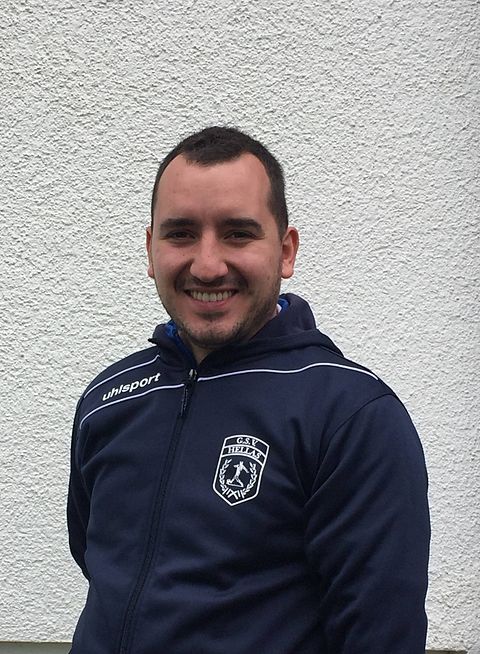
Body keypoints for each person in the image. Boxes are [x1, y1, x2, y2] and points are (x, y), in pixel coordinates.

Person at [67, 126, 430, 653]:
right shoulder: (109, 399)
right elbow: (103, 569)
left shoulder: (350, 415)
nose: (207, 265)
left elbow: (381, 635)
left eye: (238, 234)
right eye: (180, 234)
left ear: (285, 251)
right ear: (150, 250)